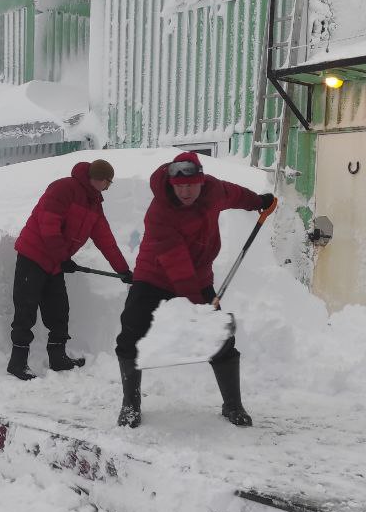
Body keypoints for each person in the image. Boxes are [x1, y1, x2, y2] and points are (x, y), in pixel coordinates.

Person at [114, 151, 275, 428]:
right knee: (131, 333)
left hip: (198, 277)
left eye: (191, 185)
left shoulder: (214, 190)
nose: (186, 191)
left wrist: (259, 202)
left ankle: (232, 404)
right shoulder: (160, 212)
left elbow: (234, 194)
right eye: (180, 186)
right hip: (153, 277)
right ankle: (130, 404)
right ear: (171, 183)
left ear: (201, 182)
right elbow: (177, 265)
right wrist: (197, 307)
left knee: (221, 338)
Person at [9, 159, 132, 380]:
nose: (107, 187)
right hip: (33, 255)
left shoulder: (94, 203)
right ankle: (17, 363)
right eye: (108, 183)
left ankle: (58, 358)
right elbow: (48, 225)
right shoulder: (64, 188)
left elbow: (106, 240)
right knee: (25, 309)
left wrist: (123, 270)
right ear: (102, 180)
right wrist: (63, 257)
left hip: (55, 262)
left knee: (58, 310)